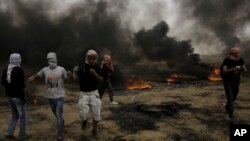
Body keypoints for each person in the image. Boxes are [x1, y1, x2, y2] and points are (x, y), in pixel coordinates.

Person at [28, 52, 71, 141]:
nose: (50, 61)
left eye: (52, 59)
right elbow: (37, 75)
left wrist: (69, 76)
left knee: (58, 115)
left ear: (55, 58)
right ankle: (61, 123)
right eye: (49, 59)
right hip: (50, 97)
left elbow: (67, 81)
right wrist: (32, 77)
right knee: (56, 115)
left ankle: (60, 135)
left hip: (60, 97)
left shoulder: (61, 69)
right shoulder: (45, 70)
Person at [1, 53, 31, 140]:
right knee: (23, 117)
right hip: (18, 97)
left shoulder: (5, 69)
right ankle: (22, 136)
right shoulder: (19, 69)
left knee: (14, 115)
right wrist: (27, 93)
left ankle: (9, 133)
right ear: (18, 59)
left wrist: (10, 83)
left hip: (9, 96)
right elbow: (21, 85)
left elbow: (3, 83)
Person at [73, 49, 102, 138]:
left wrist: (94, 73)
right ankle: (84, 121)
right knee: (83, 114)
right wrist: (74, 71)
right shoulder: (81, 66)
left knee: (96, 115)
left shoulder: (97, 67)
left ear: (96, 58)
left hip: (94, 93)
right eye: (90, 58)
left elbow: (101, 80)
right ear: (87, 57)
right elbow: (75, 78)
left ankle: (94, 130)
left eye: (94, 58)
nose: (92, 60)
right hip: (83, 94)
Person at [221, 46, 247, 120]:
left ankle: (227, 106)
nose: (237, 56)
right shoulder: (227, 60)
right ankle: (231, 114)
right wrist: (233, 69)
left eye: (238, 54)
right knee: (230, 98)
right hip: (227, 81)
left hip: (236, 81)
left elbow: (245, 69)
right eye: (235, 55)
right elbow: (224, 71)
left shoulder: (241, 60)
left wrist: (241, 68)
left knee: (234, 96)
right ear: (231, 54)